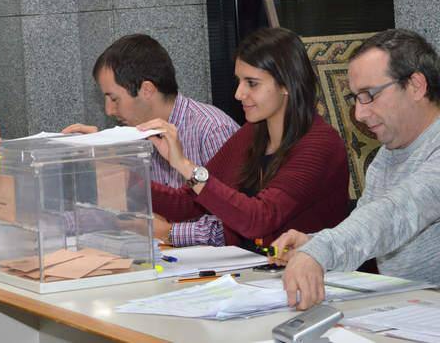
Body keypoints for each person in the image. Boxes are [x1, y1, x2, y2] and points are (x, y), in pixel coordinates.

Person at [271, 29, 440, 310]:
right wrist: (312, 243)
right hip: (408, 313)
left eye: (369, 95)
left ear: (416, 86)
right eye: (356, 98)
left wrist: (321, 251)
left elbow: (397, 213)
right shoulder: (390, 152)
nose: (359, 114)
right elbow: (368, 222)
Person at [138, 27, 349, 248]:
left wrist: (184, 165)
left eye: (252, 83)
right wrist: (124, 180)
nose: (239, 94)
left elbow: (259, 218)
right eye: (239, 81)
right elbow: (188, 203)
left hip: (311, 276)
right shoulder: (253, 132)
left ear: (286, 84)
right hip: (254, 272)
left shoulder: (320, 144)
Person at [63, 34, 239, 245]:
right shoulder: (133, 133)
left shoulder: (213, 130)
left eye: (114, 98)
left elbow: (234, 224)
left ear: (147, 90)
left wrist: (168, 231)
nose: (109, 110)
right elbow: (121, 215)